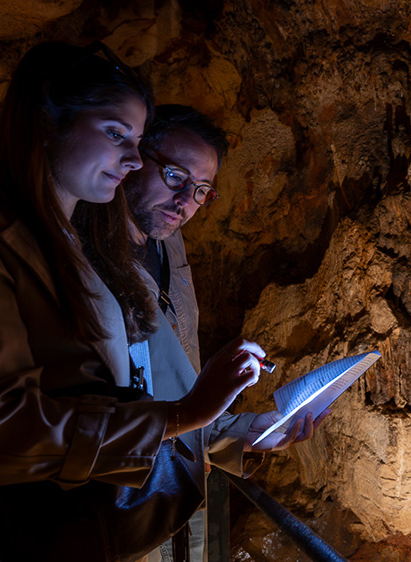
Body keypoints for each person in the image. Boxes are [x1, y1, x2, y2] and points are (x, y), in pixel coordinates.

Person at [0, 42, 262, 562]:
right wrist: (180, 416)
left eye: (137, 140)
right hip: (2, 535)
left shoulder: (74, 243)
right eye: (114, 134)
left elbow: (112, 387)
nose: (129, 159)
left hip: (75, 527)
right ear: (45, 121)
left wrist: (221, 426)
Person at [125, 105, 326, 562]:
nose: (185, 203)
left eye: (200, 192)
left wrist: (245, 433)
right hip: (111, 502)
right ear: (132, 155)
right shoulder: (81, 257)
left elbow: (176, 389)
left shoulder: (169, 245)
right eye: (175, 177)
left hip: (172, 499)